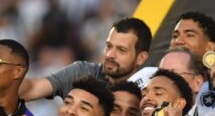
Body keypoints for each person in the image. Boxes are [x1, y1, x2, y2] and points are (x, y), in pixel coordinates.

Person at [18, 17, 152, 101]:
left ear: (141, 58)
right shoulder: (82, 73)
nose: (110, 54)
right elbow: (32, 88)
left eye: (121, 50)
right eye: (108, 46)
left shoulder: (150, 89)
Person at [130, 11, 215, 111]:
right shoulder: (145, 77)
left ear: (210, 47)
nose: (178, 41)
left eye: (189, 35)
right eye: (175, 36)